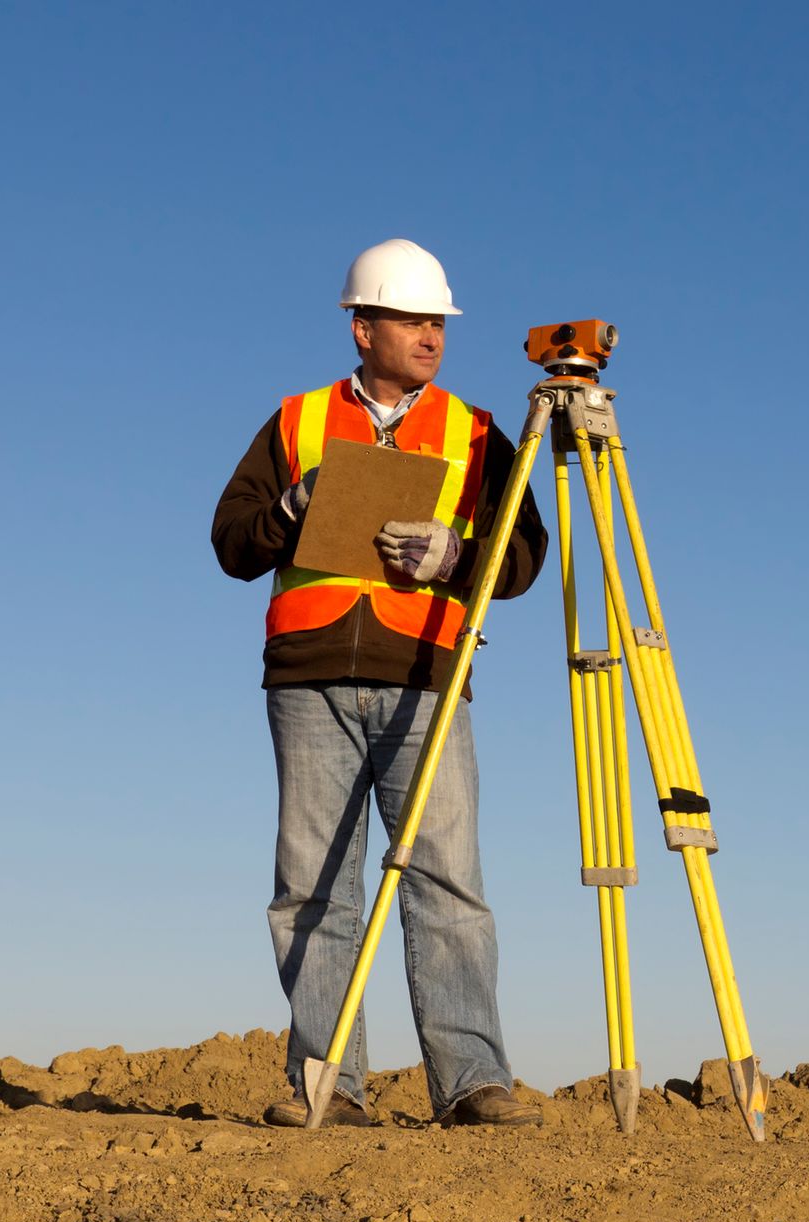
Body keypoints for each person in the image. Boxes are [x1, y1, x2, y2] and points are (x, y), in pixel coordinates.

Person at [211, 239, 548, 1127]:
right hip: (310, 677)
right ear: (363, 328)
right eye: (411, 319)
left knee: (447, 880)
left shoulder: (476, 432)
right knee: (313, 889)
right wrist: (289, 510)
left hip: (426, 677)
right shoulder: (296, 420)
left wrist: (456, 556)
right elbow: (231, 543)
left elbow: (522, 559)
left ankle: (473, 1083)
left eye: (438, 321)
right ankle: (331, 1087)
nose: (431, 335)